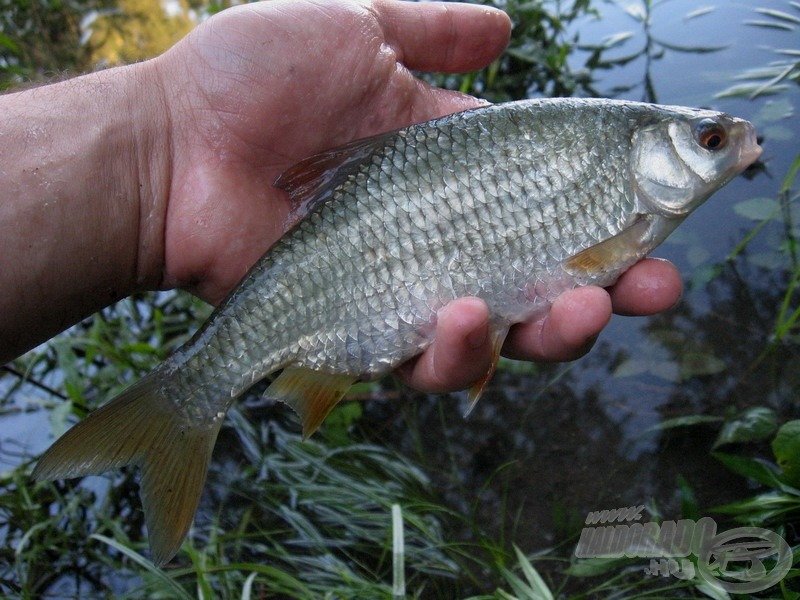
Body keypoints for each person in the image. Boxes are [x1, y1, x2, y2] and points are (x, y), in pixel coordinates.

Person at [0, 0, 681, 393]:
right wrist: (166, 134)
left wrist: (161, 144)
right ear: (641, 147)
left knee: (490, 325)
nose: (731, 142)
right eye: (707, 142)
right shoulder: (624, 184)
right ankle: (187, 397)